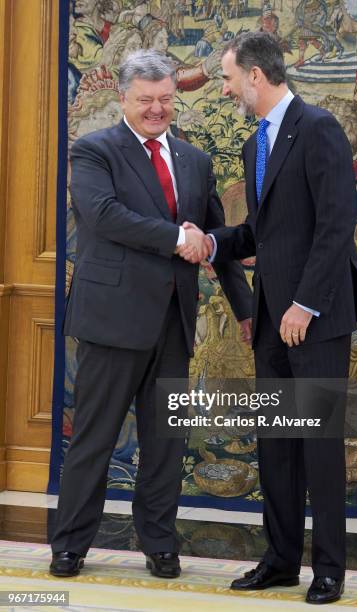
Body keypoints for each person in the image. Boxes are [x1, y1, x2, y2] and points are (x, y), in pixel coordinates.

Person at [50, 49, 252, 579]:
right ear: (124, 98)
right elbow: (105, 216)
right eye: (146, 100)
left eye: (165, 99)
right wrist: (174, 237)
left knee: (166, 443)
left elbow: (214, 241)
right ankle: (70, 544)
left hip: (174, 323)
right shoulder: (93, 151)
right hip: (113, 321)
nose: (157, 109)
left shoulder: (195, 160)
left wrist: (245, 309)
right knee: (95, 439)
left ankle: (159, 543)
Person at [180, 31, 357, 605]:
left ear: (256, 76)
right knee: (277, 444)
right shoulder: (254, 143)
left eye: (232, 79)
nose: (229, 88)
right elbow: (263, 234)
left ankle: (328, 570)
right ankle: (282, 560)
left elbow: (336, 226)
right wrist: (211, 243)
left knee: (318, 444)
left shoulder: (319, 130)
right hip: (271, 319)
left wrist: (304, 306)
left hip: (315, 315)